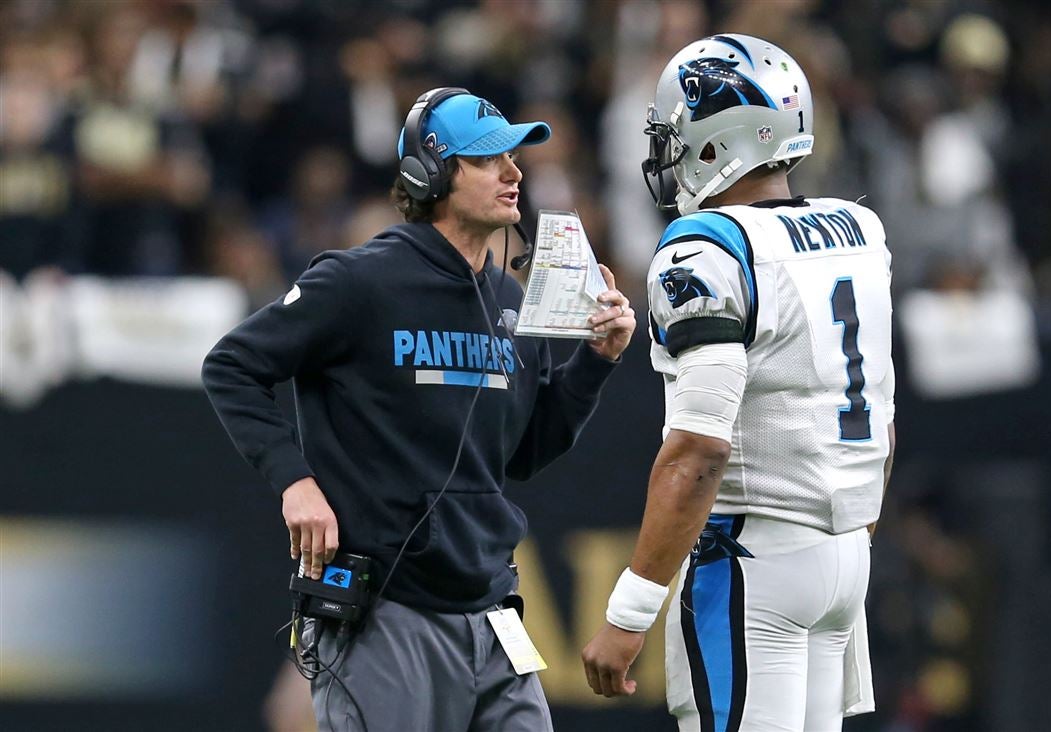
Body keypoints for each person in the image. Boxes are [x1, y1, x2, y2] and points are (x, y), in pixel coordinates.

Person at [202, 87, 636, 731]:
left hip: (493, 611)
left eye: (515, 157)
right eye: (489, 159)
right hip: (387, 610)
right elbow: (231, 365)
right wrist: (295, 481)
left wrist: (595, 362)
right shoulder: (358, 282)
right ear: (428, 173)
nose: (515, 173)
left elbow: (528, 452)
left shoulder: (511, 300)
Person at [582, 34, 896, 731]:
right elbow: (883, 417)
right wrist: (845, 541)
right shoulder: (859, 231)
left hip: (755, 556)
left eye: (676, 131)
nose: (666, 150)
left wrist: (631, 609)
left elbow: (700, 450)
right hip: (845, 554)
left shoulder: (706, 250)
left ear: (715, 140)